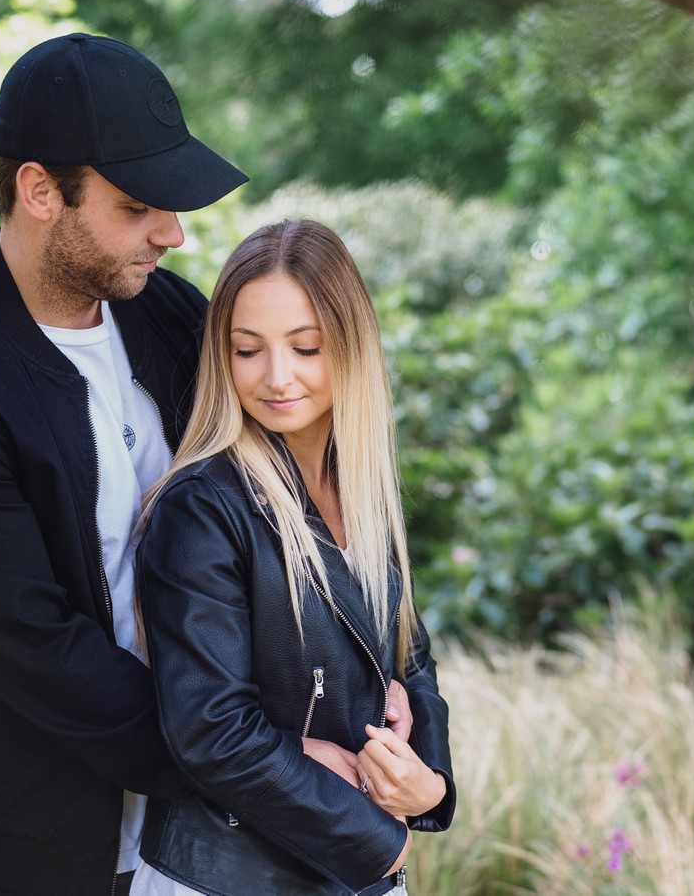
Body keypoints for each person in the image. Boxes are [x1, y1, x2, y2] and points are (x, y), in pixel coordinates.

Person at [0, 33, 399, 896]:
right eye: (140, 204)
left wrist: (382, 680)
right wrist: (260, 756)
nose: (175, 234)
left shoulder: (170, 319)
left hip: (198, 834)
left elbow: (293, 505)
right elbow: (40, 653)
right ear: (39, 190)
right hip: (22, 843)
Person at [132, 219, 456, 896]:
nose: (277, 377)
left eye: (305, 347)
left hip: (356, 873)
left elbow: (409, 657)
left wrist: (428, 781)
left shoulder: (363, 486)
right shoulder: (202, 507)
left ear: (350, 347)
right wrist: (381, 838)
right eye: (247, 349)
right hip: (227, 878)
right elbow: (212, 730)